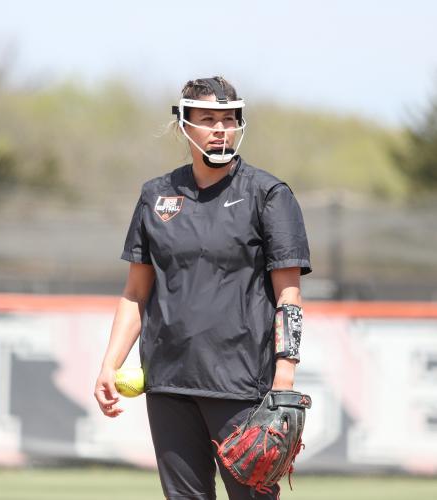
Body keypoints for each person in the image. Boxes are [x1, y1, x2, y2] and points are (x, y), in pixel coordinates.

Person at [94, 76, 312, 500]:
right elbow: (135, 293)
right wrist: (109, 363)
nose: (220, 128)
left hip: (244, 385)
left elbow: (290, 297)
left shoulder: (268, 194)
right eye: (208, 119)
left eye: (229, 119)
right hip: (168, 382)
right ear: (183, 125)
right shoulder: (156, 196)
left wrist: (284, 380)